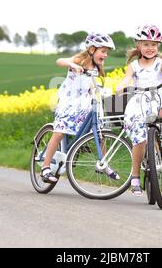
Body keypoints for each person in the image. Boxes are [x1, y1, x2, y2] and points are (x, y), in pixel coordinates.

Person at [115, 24, 162, 196]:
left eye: (153, 44)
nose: (150, 48)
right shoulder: (134, 65)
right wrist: (121, 86)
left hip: (158, 96)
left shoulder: (160, 63)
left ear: (158, 47)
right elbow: (127, 79)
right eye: (146, 44)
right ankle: (135, 177)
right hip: (140, 100)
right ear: (138, 45)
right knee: (139, 140)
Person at [40, 32, 119, 183]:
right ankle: (45, 168)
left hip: (85, 103)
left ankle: (102, 163)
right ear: (91, 49)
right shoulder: (80, 59)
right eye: (103, 51)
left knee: (100, 132)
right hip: (68, 101)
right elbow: (60, 61)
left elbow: (93, 85)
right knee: (59, 132)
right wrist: (73, 65)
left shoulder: (98, 66)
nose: (105, 55)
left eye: (107, 52)